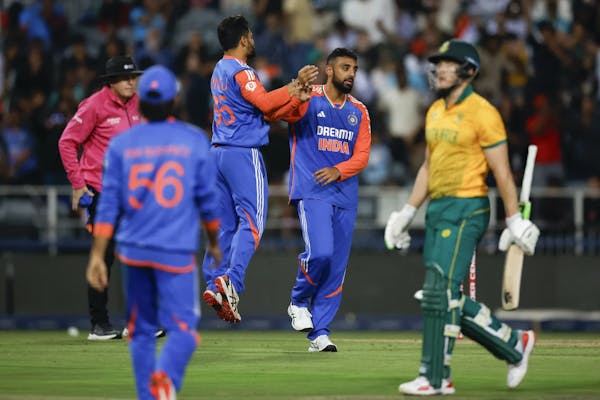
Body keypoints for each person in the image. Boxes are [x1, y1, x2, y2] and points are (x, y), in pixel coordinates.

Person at [384, 39, 540, 395]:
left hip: (468, 207)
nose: (439, 68)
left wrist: (514, 219)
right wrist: (406, 212)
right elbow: (428, 165)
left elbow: (501, 171)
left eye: (448, 63)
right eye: (438, 63)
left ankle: (435, 378)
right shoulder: (435, 111)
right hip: (439, 208)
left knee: (439, 290)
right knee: (442, 294)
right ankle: (514, 343)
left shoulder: (484, 112)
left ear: (468, 71)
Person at [86, 65, 221, 400]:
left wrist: (96, 255)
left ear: (141, 101)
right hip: (175, 250)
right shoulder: (193, 140)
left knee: (142, 331)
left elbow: (108, 205)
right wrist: (216, 242)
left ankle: (148, 395)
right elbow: (208, 202)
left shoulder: (121, 145)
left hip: (132, 251)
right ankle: (164, 380)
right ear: (174, 100)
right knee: (184, 330)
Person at [201, 15, 318, 323]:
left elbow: (263, 114)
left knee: (226, 226)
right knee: (252, 224)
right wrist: (294, 85)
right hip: (242, 154)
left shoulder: (219, 70)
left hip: (218, 153)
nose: (253, 39)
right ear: (243, 39)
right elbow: (266, 104)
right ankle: (232, 283)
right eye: (250, 35)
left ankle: (214, 283)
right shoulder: (242, 71)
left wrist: (294, 98)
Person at [282, 48, 371, 352]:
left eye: (355, 69)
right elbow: (284, 115)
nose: (352, 74)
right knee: (320, 254)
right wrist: (296, 95)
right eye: (346, 68)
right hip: (313, 190)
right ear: (329, 70)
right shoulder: (310, 95)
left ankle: (319, 333)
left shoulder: (359, 110)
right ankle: (297, 301)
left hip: (345, 196)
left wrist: (339, 170)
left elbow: (362, 155)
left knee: (335, 268)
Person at [58, 55, 143, 341]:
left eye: (134, 76)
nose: (132, 81)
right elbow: (67, 142)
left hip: (133, 195)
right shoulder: (95, 105)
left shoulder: (138, 104)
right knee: (103, 258)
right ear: (110, 81)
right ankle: (100, 324)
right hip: (102, 194)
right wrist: (78, 183)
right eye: (125, 77)